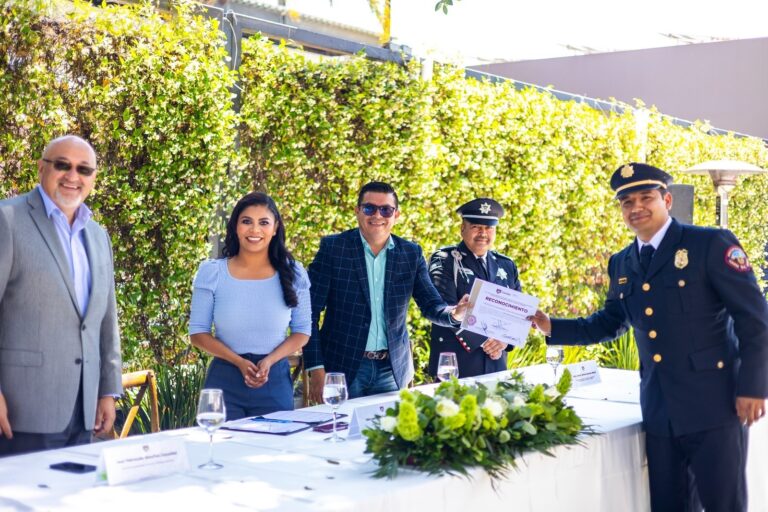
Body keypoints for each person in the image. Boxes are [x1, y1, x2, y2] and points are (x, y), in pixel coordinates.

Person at [530, 162, 768, 512]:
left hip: (714, 404)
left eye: (646, 197)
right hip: (660, 409)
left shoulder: (709, 243)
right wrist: (552, 326)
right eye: (627, 202)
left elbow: (755, 320)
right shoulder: (623, 262)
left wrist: (753, 387)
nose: (636, 207)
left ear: (667, 200)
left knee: (724, 505)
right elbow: (611, 321)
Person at [0, 135, 122, 456]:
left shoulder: (98, 235)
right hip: (21, 411)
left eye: (84, 169)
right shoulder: (7, 220)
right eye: (62, 165)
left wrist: (107, 390)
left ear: (93, 178)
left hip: (83, 413)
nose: (73, 176)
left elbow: (106, 321)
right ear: (42, 168)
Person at [305, 181, 470, 401]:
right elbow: (309, 312)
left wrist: (454, 314)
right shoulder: (334, 248)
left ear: (396, 215)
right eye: (369, 208)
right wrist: (316, 367)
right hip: (342, 368)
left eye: (386, 209)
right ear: (357, 211)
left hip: (392, 371)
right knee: (341, 431)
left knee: (388, 434)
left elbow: (431, 304)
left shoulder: (411, 254)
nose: (377, 215)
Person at [189, 192, 311, 420]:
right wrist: (239, 362)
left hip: (274, 380)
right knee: (219, 451)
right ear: (235, 226)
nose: (255, 230)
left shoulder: (295, 273)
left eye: (263, 222)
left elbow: (303, 331)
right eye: (247, 221)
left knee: (275, 452)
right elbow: (197, 334)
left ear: (275, 228)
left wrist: (269, 361)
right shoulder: (212, 272)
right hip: (223, 384)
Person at [428, 198, 521, 378]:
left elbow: (516, 314)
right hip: (455, 367)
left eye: (489, 228)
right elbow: (441, 307)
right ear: (462, 228)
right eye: (476, 227)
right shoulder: (445, 260)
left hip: (496, 365)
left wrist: (504, 341)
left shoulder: (506, 265)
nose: (483, 233)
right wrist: (488, 342)